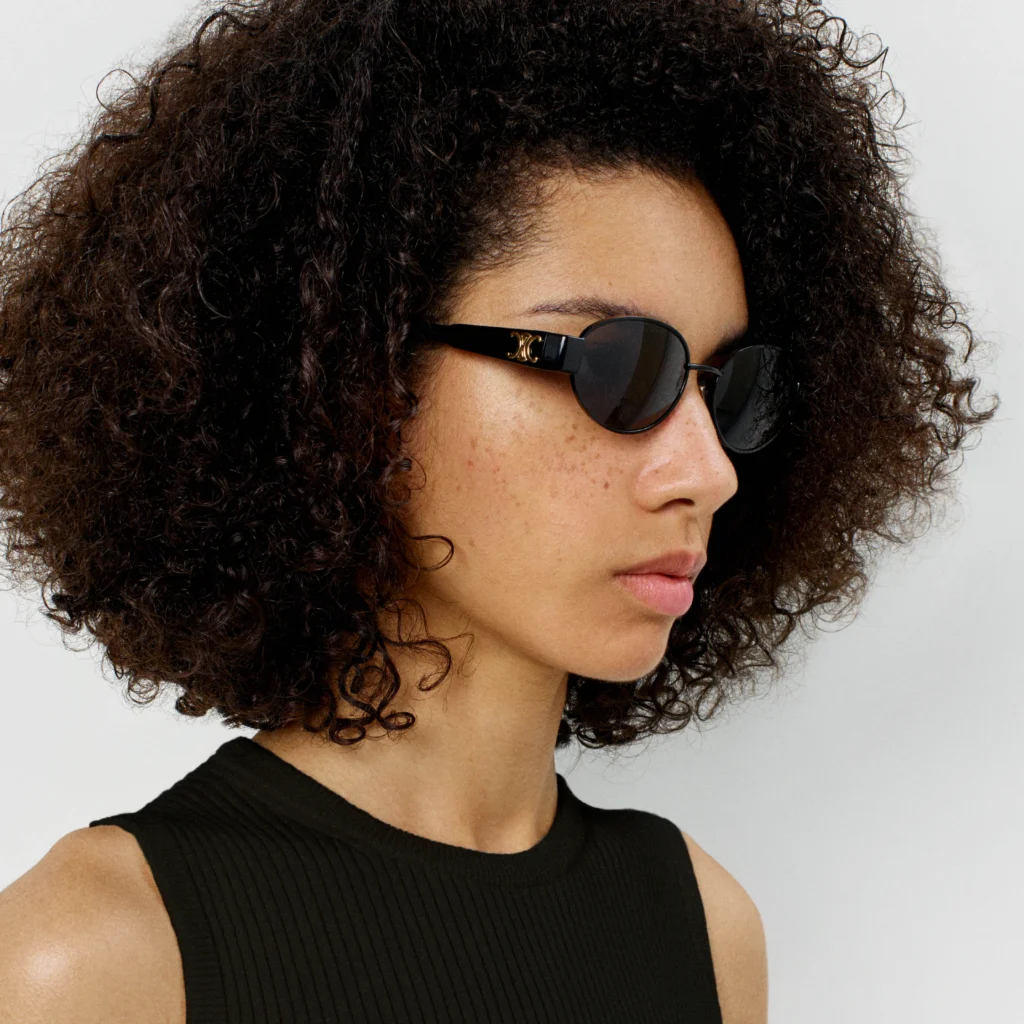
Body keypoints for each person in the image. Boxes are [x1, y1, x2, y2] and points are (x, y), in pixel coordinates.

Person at [0, 0, 998, 1021]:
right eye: (616, 368)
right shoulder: (97, 958)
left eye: (727, 388)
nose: (708, 471)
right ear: (353, 372)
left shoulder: (701, 927)